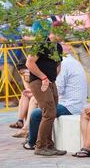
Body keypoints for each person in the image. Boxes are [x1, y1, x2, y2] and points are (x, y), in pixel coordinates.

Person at [23, 50, 88, 150]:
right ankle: (36, 139)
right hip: (74, 103)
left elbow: (58, 89)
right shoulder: (72, 61)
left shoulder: (64, 64)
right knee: (40, 106)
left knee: (36, 114)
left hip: (70, 106)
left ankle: (32, 142)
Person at [25, 20, 66, 156]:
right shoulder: (41, 43)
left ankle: (49, 145)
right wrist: (43, 78)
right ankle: (40, 146)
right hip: (38, 81)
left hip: (50, 81)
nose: (65, 35)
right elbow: (29, 63)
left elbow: (58, 65)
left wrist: (52, 78)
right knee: (48, 112)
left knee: (52, 112)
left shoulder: (58, 47)